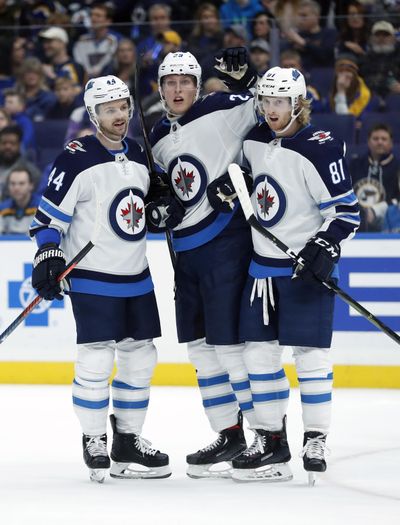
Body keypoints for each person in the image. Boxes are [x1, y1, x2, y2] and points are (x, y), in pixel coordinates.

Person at [29, 75, 173, 483]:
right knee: (95, 357)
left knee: (141, 357)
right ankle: (93, 438)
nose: (119, 115)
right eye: (109, 109)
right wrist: (49, 255)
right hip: (92, 275)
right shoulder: (74, 158)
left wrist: (160, 209)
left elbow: (145, 208)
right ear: (93, 115)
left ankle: (127, 439)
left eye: (123, 107)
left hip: (137, 274)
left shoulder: (140, 154)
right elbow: (46, 220)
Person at [229, 66, 360, 483]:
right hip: (262, 271)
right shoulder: (252, 141)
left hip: (304, 272)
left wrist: (324, 245)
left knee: (311, 358)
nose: (271, 109)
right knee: (257, 356)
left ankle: (315, 437)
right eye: (266, 101)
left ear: (298, 104)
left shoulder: (319, 147)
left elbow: (346, 212)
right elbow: (253, 179)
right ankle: (270, 441)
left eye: (279, 102)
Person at [149, 50, 259, 478]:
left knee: (232, 350)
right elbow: (161, 187)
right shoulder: (156, 133)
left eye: (185, 81)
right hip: (184, 256)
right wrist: (161, 205)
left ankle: (268, 438)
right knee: (201, 350)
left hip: (226, 245)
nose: (177, 89)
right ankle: (229, 434)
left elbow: (272, 108)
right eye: (169, 82)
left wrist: (247, 78)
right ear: (160, 89)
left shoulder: (221, 109)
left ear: (198, 86)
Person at [350, 123, 400, 232]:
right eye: (375, 139)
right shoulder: (355, 164)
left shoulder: (398, 167)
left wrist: (377, 210)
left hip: (388, 222)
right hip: (356, 219)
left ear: (391, 143)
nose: (380, 142)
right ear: (368, 142)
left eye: (384, 139)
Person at [0, 163, 40, 234]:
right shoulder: (2, 208)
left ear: (31, 185)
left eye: (21, 183)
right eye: (13, 183)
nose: (16, 188)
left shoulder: (41, 208)